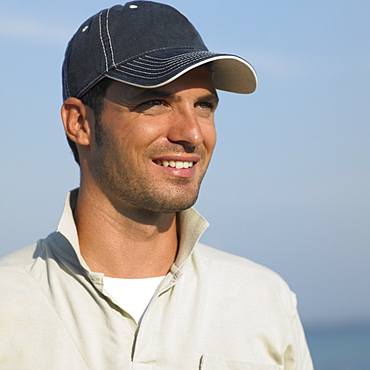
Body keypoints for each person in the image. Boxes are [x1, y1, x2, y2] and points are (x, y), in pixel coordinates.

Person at [0, 2, 313, 369]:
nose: (192, 133)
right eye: (155, 102)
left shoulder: (264, 301)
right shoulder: (9, 305)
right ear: (80, 123)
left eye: (204, 105)